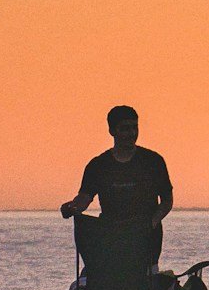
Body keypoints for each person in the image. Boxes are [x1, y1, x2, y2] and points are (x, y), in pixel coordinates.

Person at [61, 105, 174, 255]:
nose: (132, 133)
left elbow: (167, 200)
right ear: (112, 131)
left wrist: (151, 223)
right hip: (111, 241)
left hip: (147, 243)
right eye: (125, 129)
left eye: (135, 127)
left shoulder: (153, 161)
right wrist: (71, 207)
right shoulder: (98, 166)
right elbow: (84, 198)